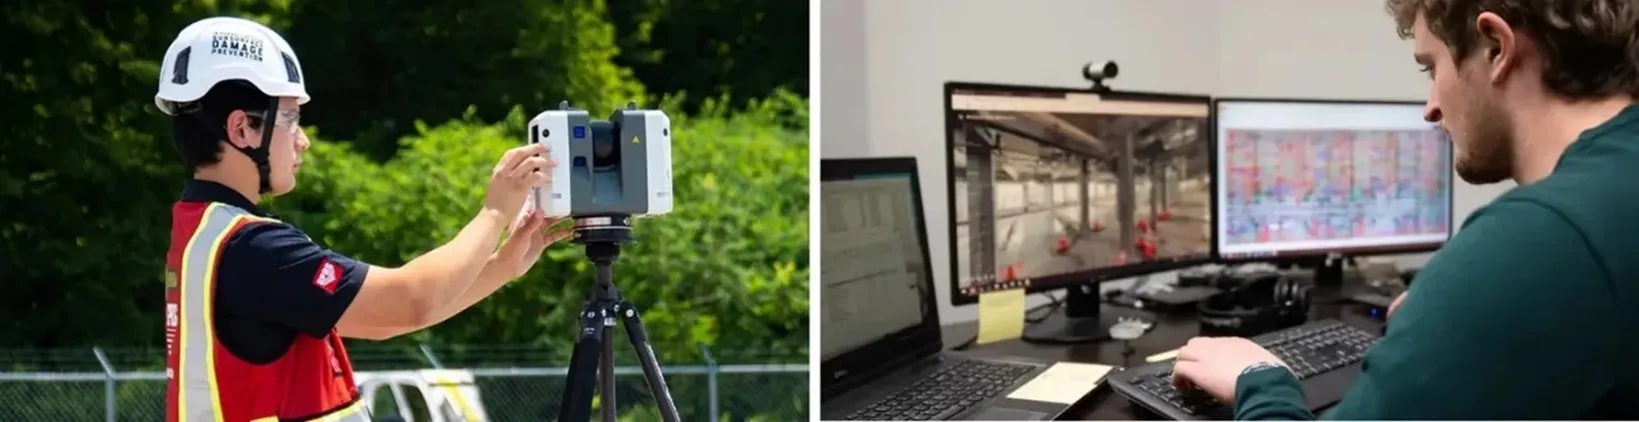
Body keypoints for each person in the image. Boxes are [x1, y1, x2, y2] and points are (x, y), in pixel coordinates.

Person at [1170, 0, 1639, 419]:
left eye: (1431, 68)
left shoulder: (1535, 243)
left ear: (1496, 47)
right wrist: (1456, 313)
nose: (1430, 108)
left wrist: (1258, 380)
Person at [156, 17, 573, 421]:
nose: (303, 140)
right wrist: (496, 211)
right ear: (242, 128)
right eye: (291, 119)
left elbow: (383, 320)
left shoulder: (204, 232)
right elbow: (410, 302)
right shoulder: (254, 249)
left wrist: (502, 266)